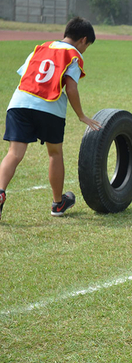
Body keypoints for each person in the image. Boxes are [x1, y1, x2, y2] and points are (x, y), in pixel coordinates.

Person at [0, 17, 102, 220]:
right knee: (54, 153)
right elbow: (71, 88)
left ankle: (0, 191)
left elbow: (26, 75)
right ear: (83, 40)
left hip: (19, 102)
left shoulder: (40, 48)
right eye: (87, 46)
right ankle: (58, 203)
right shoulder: (73, 55)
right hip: (49, 106)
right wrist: (81, 115)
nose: (84, 50)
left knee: (14, 153)